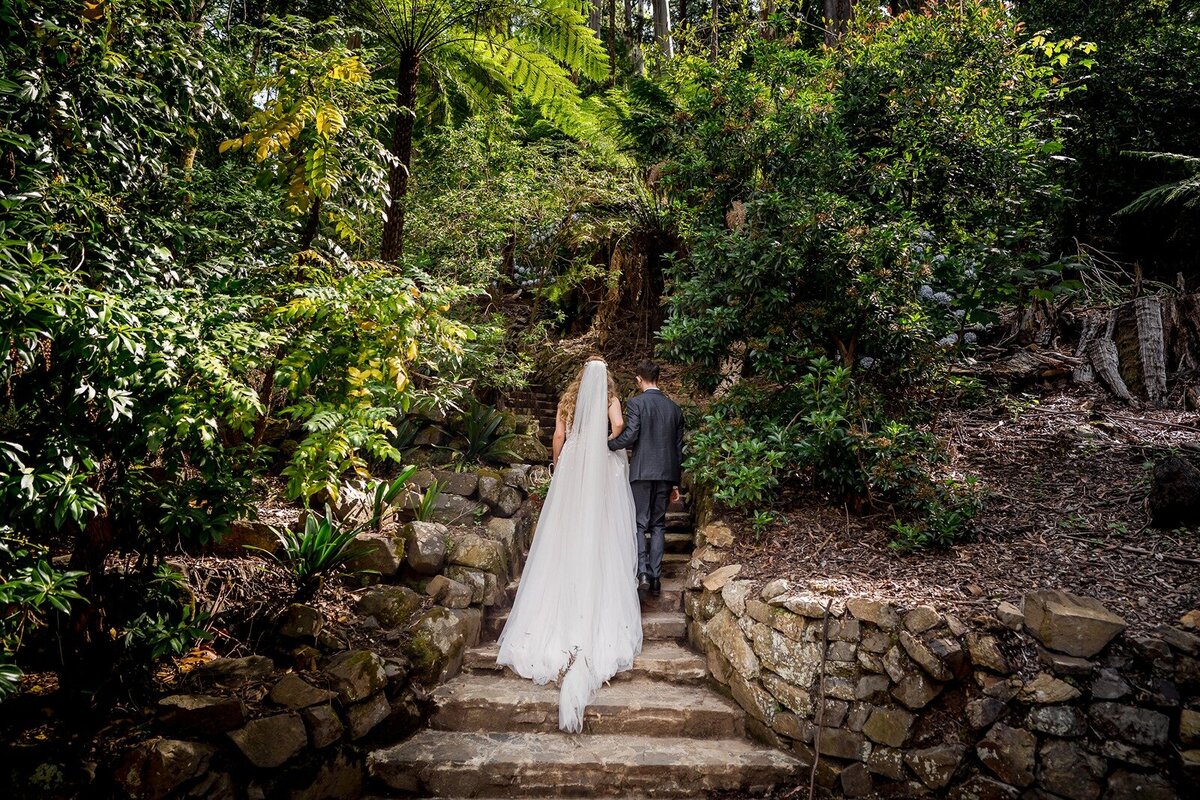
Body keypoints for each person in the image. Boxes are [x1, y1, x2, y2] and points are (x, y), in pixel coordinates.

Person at [496, 357, 642, 733]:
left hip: (574, 462)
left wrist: (558, 463)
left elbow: (558, 436)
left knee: (564, 528)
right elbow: (620, 426)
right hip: (599, 465)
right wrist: (606, 446)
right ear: (605, 376)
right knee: (602, 526)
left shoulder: (566, 398)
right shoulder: (610, 396)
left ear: (581, 375)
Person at [607, 359, 684, 596]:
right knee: (659, 524)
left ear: (639, 379)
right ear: (658, 378)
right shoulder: (675, 409)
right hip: (666, 473)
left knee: (640, 523)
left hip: (641, 471)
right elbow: (679, 448)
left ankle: (642, 573)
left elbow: (630, 435)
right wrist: (676, 483)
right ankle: (657, 577)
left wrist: (608, 445)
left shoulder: (637, 403)